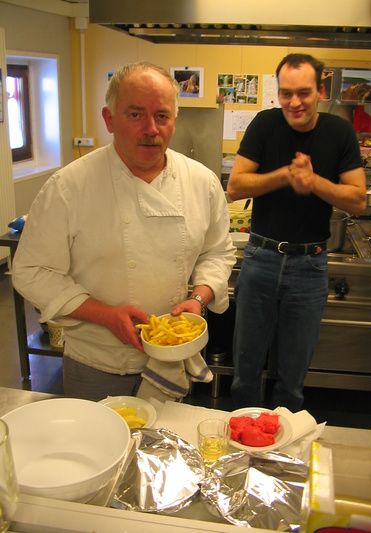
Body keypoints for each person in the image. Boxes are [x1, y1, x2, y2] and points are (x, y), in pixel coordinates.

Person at [12, 62, 236, 402]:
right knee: (97, 451)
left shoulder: (202, 183)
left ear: (175, 119)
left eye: (162, 116)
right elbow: (30, 271)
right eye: (135, 115)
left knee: (162, 451)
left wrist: (200, 297)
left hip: (171, 360)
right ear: (109, 119)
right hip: (97, 364)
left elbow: (217, 252)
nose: (151, 128)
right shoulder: (69, 186)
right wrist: (104, 315)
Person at [227, 53, 366, 412]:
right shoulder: (264, 125)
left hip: (310, 266)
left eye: (303, 92)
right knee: (244, 370)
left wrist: (314, 181)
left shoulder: (339, 133)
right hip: (261, 258)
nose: (294, 102)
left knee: (292, 378)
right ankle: (243, 441)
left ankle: (281, 450)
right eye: (286, 93)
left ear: (320, 90)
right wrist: (285, 176)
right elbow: (236, 186)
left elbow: (358, 200)